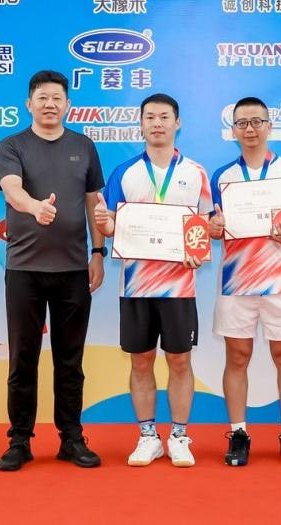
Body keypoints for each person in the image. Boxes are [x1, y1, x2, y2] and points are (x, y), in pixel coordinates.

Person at [93, 93, 213, 468]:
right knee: (141, 361)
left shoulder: (196, 173)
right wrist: (105, 224)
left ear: (177, 123)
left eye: (164, 117)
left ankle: (178, 436)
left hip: (180, 286)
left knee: (179, 361)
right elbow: (111, 225)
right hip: (136, 286)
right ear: (141, 124)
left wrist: (203, 242)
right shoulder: (124, 173)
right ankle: (148, 436)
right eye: (150, 117)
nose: (157, 123)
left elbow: (206, 225)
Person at [0, 70, 107, 471]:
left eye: (57, 98)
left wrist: (98, 252)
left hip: (74, 270)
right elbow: (12, 189)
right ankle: (19, 440)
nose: (49, 104)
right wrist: (34, 207)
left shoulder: (84, 146)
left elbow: (95, 202)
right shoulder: (12, 146)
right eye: (42, 97)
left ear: (68, 105)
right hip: (24, 269)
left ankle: (71, 438)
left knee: (69, 360)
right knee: (23, 359)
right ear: (29, 104)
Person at [208, 96, 281, 467]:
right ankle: (238, 433)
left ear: (269, 126)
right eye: (242, 123)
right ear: (233, 130)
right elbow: (211, 225)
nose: (249, 129)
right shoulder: (222, 177)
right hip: (237, 283)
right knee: (237, 357)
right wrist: (213, 228)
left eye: (256, 122)